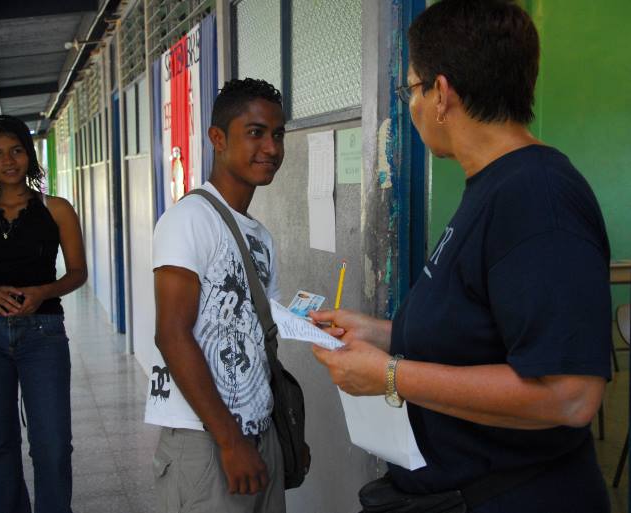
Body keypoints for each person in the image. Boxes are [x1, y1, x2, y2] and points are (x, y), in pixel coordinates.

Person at [311, 1, 611, 512]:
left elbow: (571, 396)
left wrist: (388, 375)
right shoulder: (492, 188)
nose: (411, 104)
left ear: (443, 93)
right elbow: (481, 334)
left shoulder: (538, 198)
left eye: (411, 88)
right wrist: (378, 334)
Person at [145, 78, 286, 513]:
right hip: (205, 440)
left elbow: (263, 327)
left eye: (278, 134)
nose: (271, 148)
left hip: (260, 434)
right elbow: (171, 335)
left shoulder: (260, 236)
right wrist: (229, 441)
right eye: (256, 133)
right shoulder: (189, 219)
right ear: (218, 139)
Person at [0, 115, 87, 513]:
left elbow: (78, 272)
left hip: (43, 335)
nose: (8, 161)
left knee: (53, 443)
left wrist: (45, 291)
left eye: (16, 151)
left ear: (29, 153)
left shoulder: (56, 209)